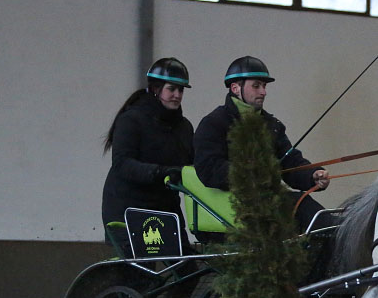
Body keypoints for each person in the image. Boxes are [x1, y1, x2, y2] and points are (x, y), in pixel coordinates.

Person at [193, 56, 330, 233]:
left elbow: (290, 161)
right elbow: (208, 168)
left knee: (318, 217)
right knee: (307, 212)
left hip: (270, 199)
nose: (263, 92)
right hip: (235, 205)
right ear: (235, 88)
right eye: (256, 86)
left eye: (264, 86)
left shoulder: (272, 125)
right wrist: (251, 172)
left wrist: (312, 175)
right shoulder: (213, 123)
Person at [101, 57, 195, 257]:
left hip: (165, 209)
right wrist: (159, 172)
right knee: (143, 273)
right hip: (129, 209)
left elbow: (192, 162)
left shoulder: (184, 127)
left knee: (187, 270)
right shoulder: (132, 120)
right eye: (172, 89)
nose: (177, 95)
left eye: (181, 90)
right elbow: (122, 163)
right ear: (155, 89)